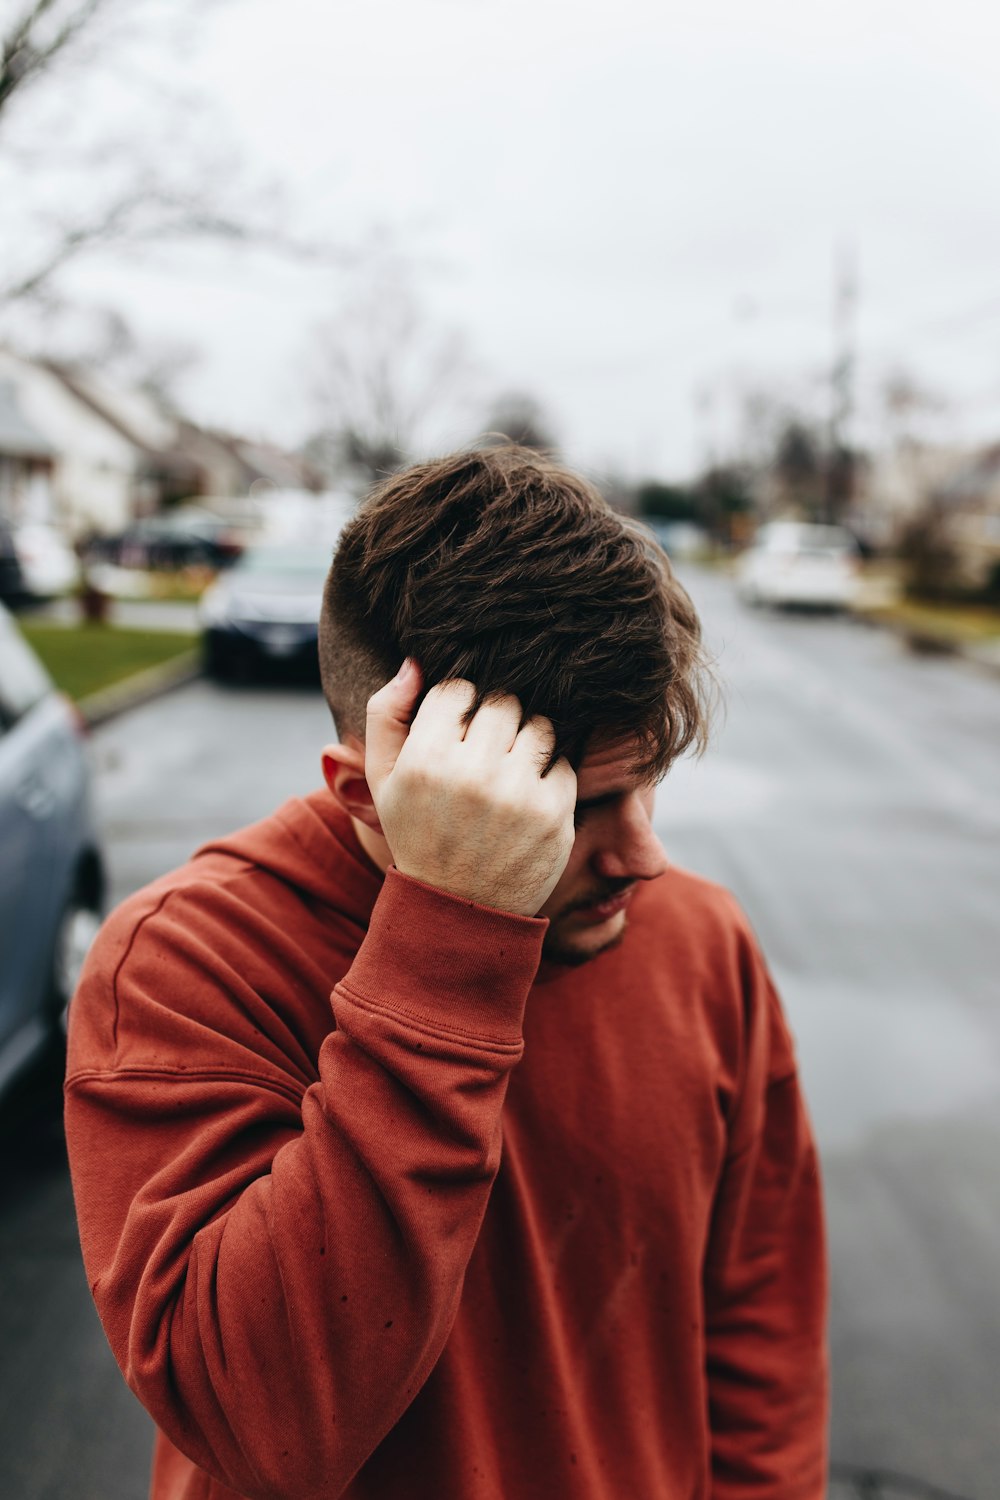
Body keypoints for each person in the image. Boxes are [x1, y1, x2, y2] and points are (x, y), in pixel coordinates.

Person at [65, 445, 828, 1500]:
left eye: (646, 787)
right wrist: (452, 936)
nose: (644, 856)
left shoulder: (700, 939)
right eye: (575, 811)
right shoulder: (189, 962)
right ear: (373, 789)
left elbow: (761, 1328)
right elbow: (267, 1427)